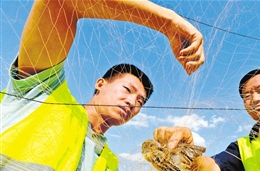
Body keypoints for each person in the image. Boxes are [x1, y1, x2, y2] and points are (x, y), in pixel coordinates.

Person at [0, 0, 205, 170]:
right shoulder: (44, 94)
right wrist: (167, 22)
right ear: (100, 83)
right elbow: (60, 3)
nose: (132, 102)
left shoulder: (109, 163)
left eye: (140, 101)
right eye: (128, 89)